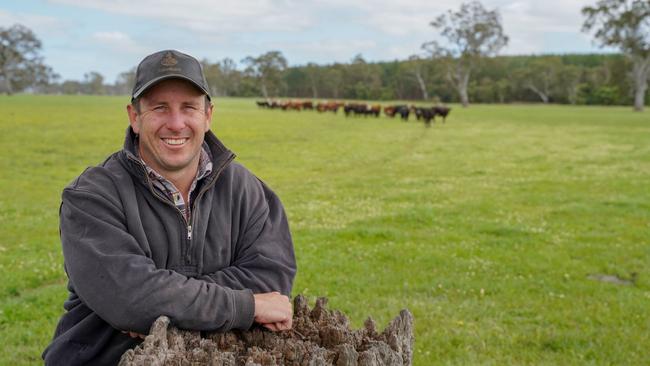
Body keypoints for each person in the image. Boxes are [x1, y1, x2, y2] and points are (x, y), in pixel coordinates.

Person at [42, 50, 297, 365]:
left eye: (188, 107)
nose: (176, 124)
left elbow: (271, 277)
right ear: (135, 117)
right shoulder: (91, 196)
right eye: (160, 108)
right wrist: (244, 306)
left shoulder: (247, 190)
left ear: (208, 115)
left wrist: (162, 302)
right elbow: (131, 299)